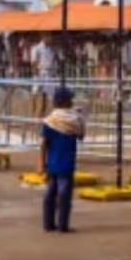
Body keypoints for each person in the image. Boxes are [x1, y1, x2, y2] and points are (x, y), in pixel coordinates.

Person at [39, 86, 85, 233]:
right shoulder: (74, 120)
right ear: (65, 102)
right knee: (64, 194)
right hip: (67, 162)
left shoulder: (50, 121)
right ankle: (63, 225)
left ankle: (48, 223)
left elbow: (44, 144)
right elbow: (81, 134)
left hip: (52, 162)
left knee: (50, 192)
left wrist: (41, 163)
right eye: (70, 100)